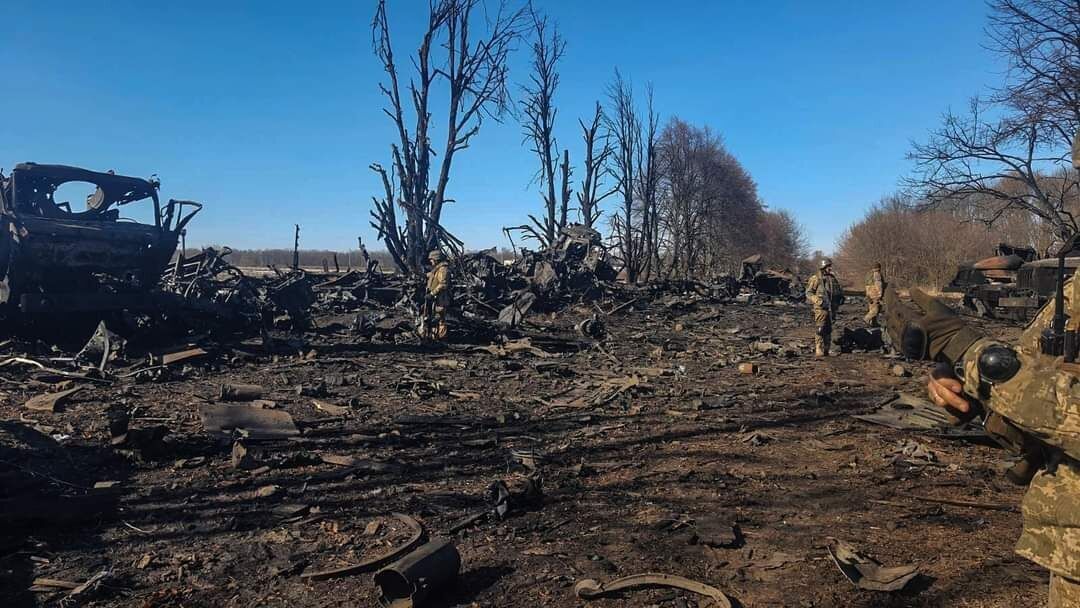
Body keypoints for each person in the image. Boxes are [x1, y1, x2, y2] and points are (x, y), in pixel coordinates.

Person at [805, 258, 844, 357]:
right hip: (820, 308)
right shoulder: (816, 278)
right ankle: (819, 347)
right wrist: (818, 301)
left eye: (830, 266)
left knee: (829, 328)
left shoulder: (832, 278)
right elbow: (808, 292)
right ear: (823, 267)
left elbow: (838, 290)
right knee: (820, 327)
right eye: (828, 266)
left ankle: (827, 347)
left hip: (832, 307)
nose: (830, 268)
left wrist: (841, 297)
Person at [424, 249, 452, 341]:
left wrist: (432, 294)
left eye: (431, 259)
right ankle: (435, 337)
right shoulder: (438, 269)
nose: (430, 261)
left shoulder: (443, 269)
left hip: (441, 298)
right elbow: (432, 275)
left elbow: (443, 284)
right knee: (435, 317)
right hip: (437, 298)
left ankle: (441, 338)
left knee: (440, 318)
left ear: (436, 259)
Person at [864, 263, 885, 327]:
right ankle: (866, 319)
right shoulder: (877, 274)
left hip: (869, 294)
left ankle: (874, 323)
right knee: (875, 310)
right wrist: (880, 295)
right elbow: (879, 285)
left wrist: (867, 294)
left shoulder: (868, 274)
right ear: (879, 267)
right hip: (875, 294)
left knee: (872, 308)